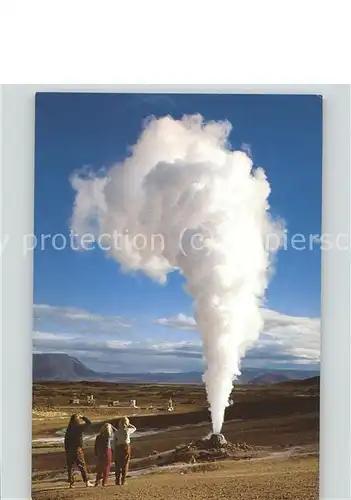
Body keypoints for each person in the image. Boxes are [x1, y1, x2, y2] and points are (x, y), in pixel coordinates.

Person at [64, 413, 94, 488]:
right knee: (82, 465)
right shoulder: (78, 427)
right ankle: (86, 482)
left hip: (69, 450)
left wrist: (67, 450)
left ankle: (71, 483)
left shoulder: (69, 429)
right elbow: (89, 423)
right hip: (77, 449)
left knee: (70, 467)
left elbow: (66, 441)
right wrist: (83, 417)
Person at [112, 416, 136, 485]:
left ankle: (117, 480)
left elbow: (114, 442)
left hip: (118, 447)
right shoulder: (128, 430)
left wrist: (114, 449)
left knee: (118, 464)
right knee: (125, 464)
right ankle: (123, 480)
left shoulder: (116, 432)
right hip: (126, 447)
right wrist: (128, 424)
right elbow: (134, 428)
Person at [94, 423, 116, 487]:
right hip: (107, 451)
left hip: (100, 452)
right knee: (107, 466)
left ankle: (97, 482)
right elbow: (117, 431)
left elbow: (96, 446)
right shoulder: (109, 435)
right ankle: (104, 482)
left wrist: (96, 453)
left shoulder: (98, 436)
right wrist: (111, 426)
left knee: (100, 467)